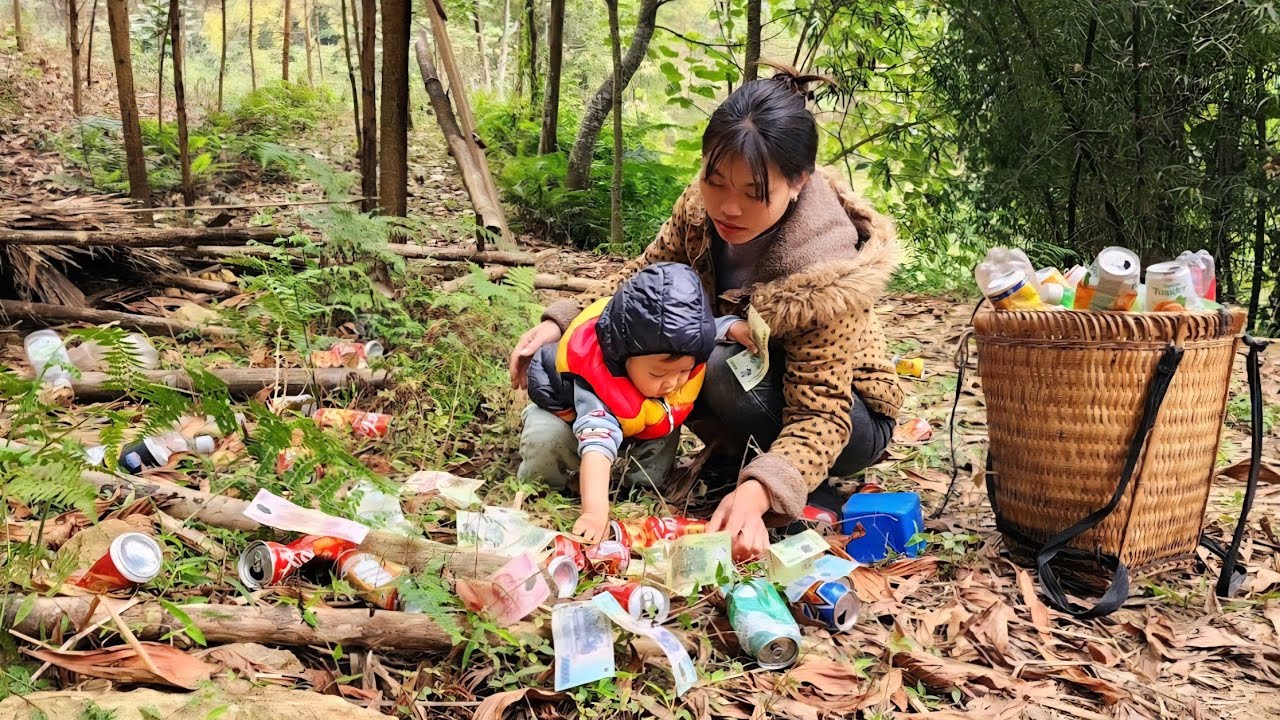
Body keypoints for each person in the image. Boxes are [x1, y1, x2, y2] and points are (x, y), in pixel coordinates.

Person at [510, 64, 903, 560]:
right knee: (669, 347)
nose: (729, 208)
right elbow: (641, 281)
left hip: (850, 418)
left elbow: (822, 413)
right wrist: (563, 321)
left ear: (799, 181)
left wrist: (765, 489)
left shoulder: (826, 269)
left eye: (754, 193)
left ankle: (793, 484)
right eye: (716, 181)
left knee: (708, 361)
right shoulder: (700, 209)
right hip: (749, 381)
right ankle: (731, 463)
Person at [520, 262, 756, 542]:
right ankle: (549, 484)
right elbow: (597, 445)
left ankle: (637, 485)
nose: (672, 383)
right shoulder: (598, 387)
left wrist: (733, 327)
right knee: (547, 440)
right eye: (659, 373)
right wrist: (595, 513)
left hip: (640, 420)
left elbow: (706, 331)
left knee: (662, 431)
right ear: (624, 355)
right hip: (572, 419)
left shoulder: (677, 351)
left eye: (684, 372)